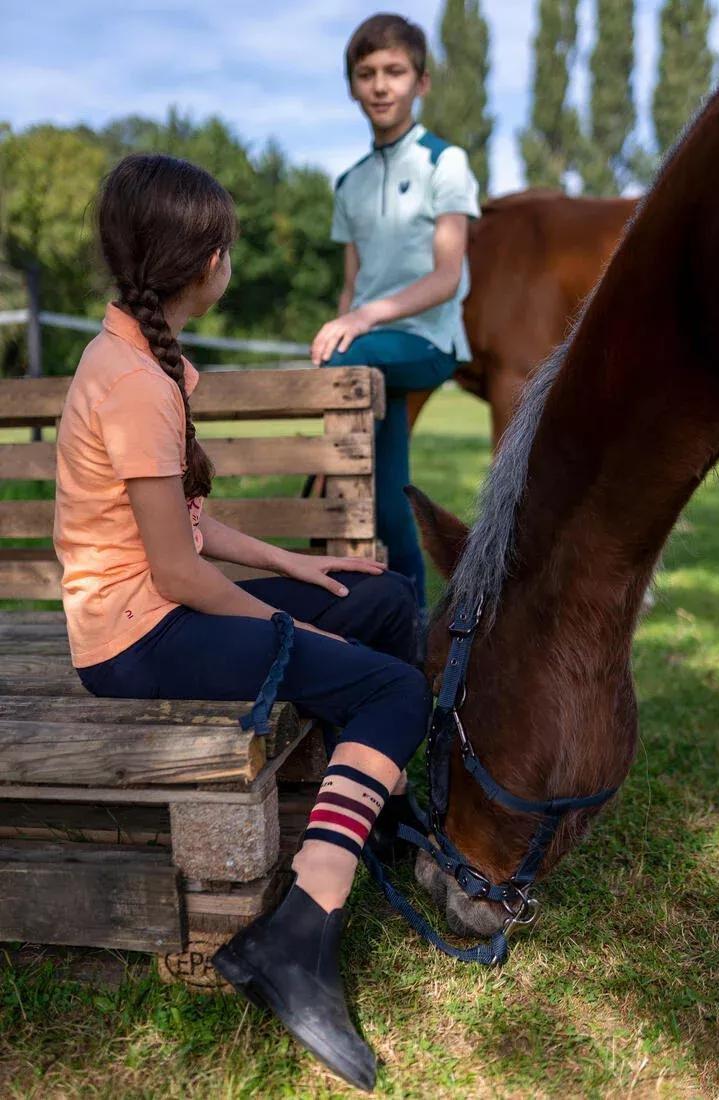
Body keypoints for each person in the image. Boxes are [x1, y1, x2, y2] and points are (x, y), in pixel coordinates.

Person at [53, 153, 433, 1092]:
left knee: (377, 597)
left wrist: (300, 567)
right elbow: (180, 575)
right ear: (208, 260)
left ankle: (362, 808)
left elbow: (184, 528)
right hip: (135, 641)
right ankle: (297, 938)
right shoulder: (136, 381)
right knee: (391, 682)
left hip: (162, 608)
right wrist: (298, 637)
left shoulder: (145, 361)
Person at [311, 13, 481, 609]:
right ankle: (409, 627)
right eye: (366, 74)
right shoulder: (348, 184)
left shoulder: (445, 161)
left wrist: (360, 322)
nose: (381, 85)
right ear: (353, 85)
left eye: (395, 71)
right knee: (386, 506)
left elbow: (446, 277)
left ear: (422, 82)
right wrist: (340, 326)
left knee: (351, 352)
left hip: (428, 343)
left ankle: (312, 492)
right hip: (371, 353)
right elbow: (350, 287)